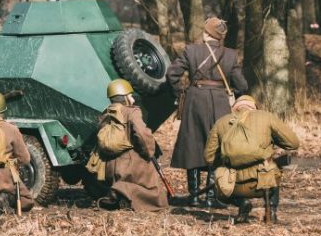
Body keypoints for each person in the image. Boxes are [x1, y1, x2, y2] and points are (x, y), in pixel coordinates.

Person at [166, 17, 248, 208]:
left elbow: (172, 74)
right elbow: (242, 85)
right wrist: (234, 97)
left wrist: (181, 92)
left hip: (195, 100)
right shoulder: (230, 55)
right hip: (220, 102)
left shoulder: (191, 50)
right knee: (218, 147)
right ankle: (211, 197)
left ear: (206, 33)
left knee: (192, 144)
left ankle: (194, 196)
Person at [204, 95, 299, 223]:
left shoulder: (221, 122)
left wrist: (226, 162)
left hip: (232, 186)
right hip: (263, 182)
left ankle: (242, 203)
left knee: (219, 175)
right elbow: (293, 143)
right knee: (274, 164)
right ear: (254, 107)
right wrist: (272, 143)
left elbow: (208, 157)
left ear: (234, 108)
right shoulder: (266, 117)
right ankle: (270, 210)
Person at [96, 79, 168, 212]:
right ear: (124, 98)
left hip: (110, 165)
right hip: (130, 164)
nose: (133, 100)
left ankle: (118, 194)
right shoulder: (131, 112)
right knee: (154, 190)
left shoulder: (106, 113)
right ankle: (122, 193)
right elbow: (142, 134)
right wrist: (149, 152)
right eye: (130, 96)